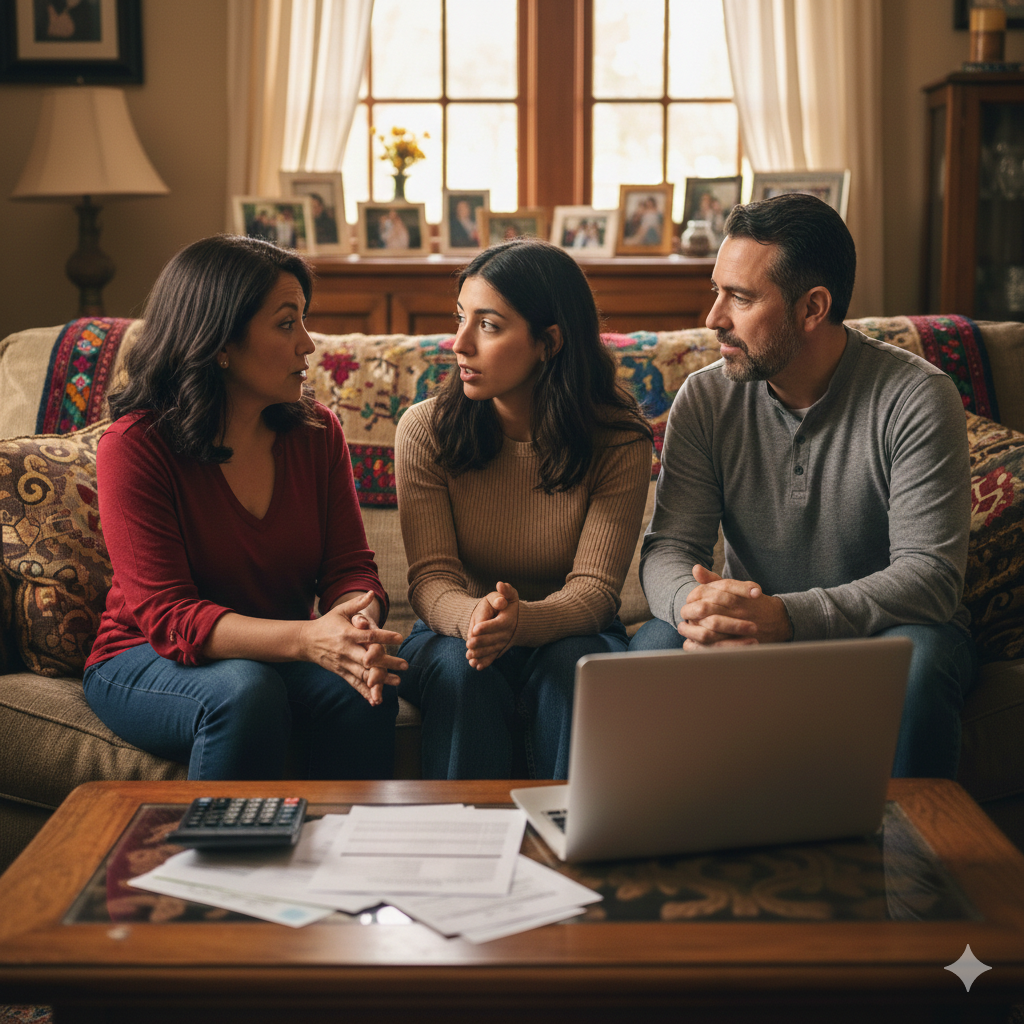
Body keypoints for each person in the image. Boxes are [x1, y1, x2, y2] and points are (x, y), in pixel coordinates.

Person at [630, 192, 976, 780]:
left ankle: (913, 841)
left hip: (879, 633)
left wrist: (786, 619)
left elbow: (930, 577)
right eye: (717, 291)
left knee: (921, 660)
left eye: (740, 298)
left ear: (813, 307)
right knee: (650, 653)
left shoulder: (916, 397)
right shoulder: (705, 397)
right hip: (747, 632)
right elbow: (670, 547)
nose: (713, 318)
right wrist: (699, 609)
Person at [83, 235, 405, 780]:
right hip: (144, 656)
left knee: (364, 688)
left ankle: (345, 836)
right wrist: (308, 639)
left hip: (277, 652)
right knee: (245, 690)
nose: (309, 344)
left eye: (304, 321)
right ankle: (220, 841)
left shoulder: (317, 431)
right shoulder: (135, 446)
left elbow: (350, 567)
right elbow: (169, 616)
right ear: (220, 344)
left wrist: (354, 629)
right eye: (286, 324)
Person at [395, 238, 653, 780]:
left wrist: (523, 622)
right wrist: (477, 620)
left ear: (549, 341)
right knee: (461, 669)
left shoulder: (619, 439)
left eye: (488, 325)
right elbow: (432, 580)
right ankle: (462, 829)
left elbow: (595, 590)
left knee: (574, 665)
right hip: (454, 632)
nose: (459, 344)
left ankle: (566, 829)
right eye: (460, 318)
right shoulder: (424, 429)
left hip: (571, 632)